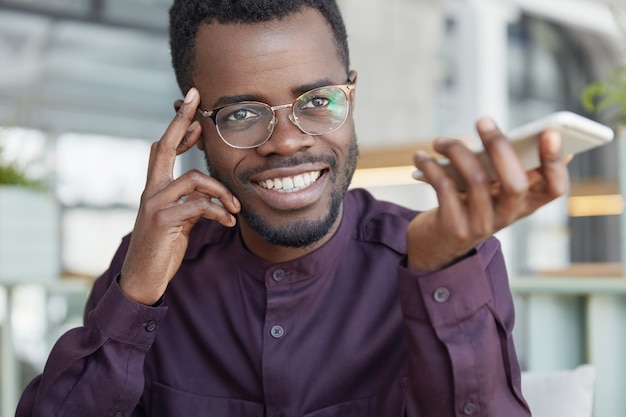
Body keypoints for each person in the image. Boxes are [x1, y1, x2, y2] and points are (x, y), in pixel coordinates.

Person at [16, 1, 569, 416]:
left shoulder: (448, 256)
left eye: (318, 101)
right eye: (240, 115)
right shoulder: (146, 268)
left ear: (351, 97)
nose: (285, 142)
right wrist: (133, 298)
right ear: (192, 130)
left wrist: (438, 276)